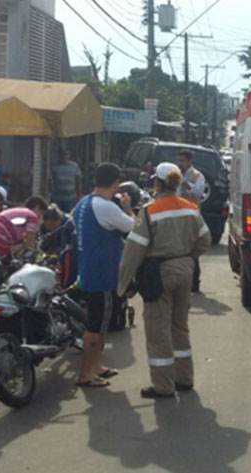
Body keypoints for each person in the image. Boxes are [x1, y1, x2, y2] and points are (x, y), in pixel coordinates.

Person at [118, 162, 211, 399]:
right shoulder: (190, 208)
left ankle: (163, 385)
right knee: (179, 327)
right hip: (185, 271)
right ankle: (184, 377)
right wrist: (189, 259)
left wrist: (122, 284)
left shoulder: (149, 211)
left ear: (158, 183)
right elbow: (205, 240)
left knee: (158, 331)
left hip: (160, 274)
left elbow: (134, 250)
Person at [74, 162, 134, 389]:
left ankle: (96, 367)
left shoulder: (83, 203)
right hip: (102, 274)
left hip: (89, 270)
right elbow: (133, 228)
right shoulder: (106, 207)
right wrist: (128, 207)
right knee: (96, 326)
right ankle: (85, 374)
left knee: (100, 323)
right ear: (116, 184)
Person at [0, 196, 48, 260]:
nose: (40, 218)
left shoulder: (19, 211)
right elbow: (30, 242)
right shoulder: (32, 216)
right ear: (37, 207)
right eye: (41, 213)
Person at [176, 149, 206, 293]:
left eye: (182, 160)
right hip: (176, 217)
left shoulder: (197, 176)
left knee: (192, 251)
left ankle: (195, 282)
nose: (179, 163)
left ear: (189, 161)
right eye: (178, 160)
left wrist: (185, 183)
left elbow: (198, 192)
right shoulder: (174, 174)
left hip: (191, 218)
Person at [52, 149, 83, 213]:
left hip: (70, 198)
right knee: (58, 215)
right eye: (62, 155)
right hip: (58, 197)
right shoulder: (54, 166)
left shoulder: (74, 166)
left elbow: (78, 181)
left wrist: (79, 196)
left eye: (66, 155)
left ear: (69, 156)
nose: (64, 157)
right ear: (59, 156)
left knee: (69, 216)